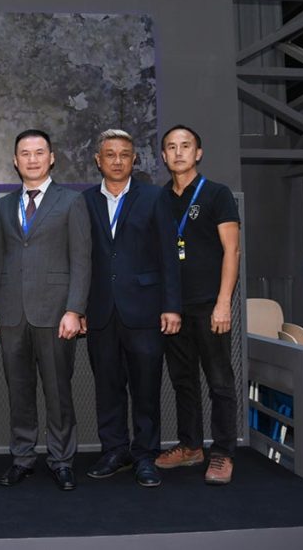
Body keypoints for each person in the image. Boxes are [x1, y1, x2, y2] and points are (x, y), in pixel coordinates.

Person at [0, 130, 91, 491]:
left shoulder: (71, 201)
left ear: (51, 158)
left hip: (56, 313)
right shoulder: (4, 205)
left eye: (39, 153)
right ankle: (22, 458)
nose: (32, 159)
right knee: (18, 391)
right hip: (12, 314)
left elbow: (82, 260)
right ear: (15, 160)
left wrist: (75, 309)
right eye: (25, 153)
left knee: (57, 391)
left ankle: (62, 460)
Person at [82, 129, 181, 487]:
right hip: (100, 310)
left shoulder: (154, 197)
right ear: (98, 160)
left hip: (145, 310)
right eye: (110, 154)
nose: (118, 160)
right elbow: (81, 259)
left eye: (125, 154)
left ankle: (145, 456)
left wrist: (172, 306)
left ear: (134, 159)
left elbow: (169, 255)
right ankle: (114, 451)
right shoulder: (85, 201)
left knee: (146, 388)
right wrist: (78, 308)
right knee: (107, 387)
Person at [155, 124, 241, 485]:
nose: (178, 152)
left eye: (185, 146)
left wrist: (223, 303)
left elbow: (232, 251)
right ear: (163, 156)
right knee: (183, 381)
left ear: (198, 153)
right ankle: (191, 446)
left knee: (219, 382)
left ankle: (223, 452)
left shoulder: (217, 194)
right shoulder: (159, 198)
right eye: (171, 147)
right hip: (174, 308)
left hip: (209, 306)